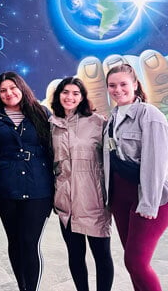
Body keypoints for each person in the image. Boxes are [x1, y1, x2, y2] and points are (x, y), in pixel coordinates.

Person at [103, 64, 168, 291]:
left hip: (150, 197)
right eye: (112, 85)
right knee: (133, 264)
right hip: (121, 198)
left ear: (135, 84)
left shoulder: (150, 115)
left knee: (136, 262)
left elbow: (156, 163)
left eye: (123, 84)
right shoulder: (112, 118)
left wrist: (148, 203)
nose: (118, 89)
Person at [0, 71, 54, 291]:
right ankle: (22, 287)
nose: (9, 93)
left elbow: (53, 147)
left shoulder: (41, 113)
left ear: (22, 87)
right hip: (6, 188)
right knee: (15, 241)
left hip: (38, 188)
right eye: (3, 90)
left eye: (13, 88)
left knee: (30, 242)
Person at [50, 77, 113, 291]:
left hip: (93, 200)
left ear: (83, 97)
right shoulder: (52, 124)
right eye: (65, 92)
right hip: (65, 202)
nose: (70, 97)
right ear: (58, 95)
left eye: (76, 93)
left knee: (102, 255)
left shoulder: (98, 122)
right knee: (75, 256)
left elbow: (117, 153)